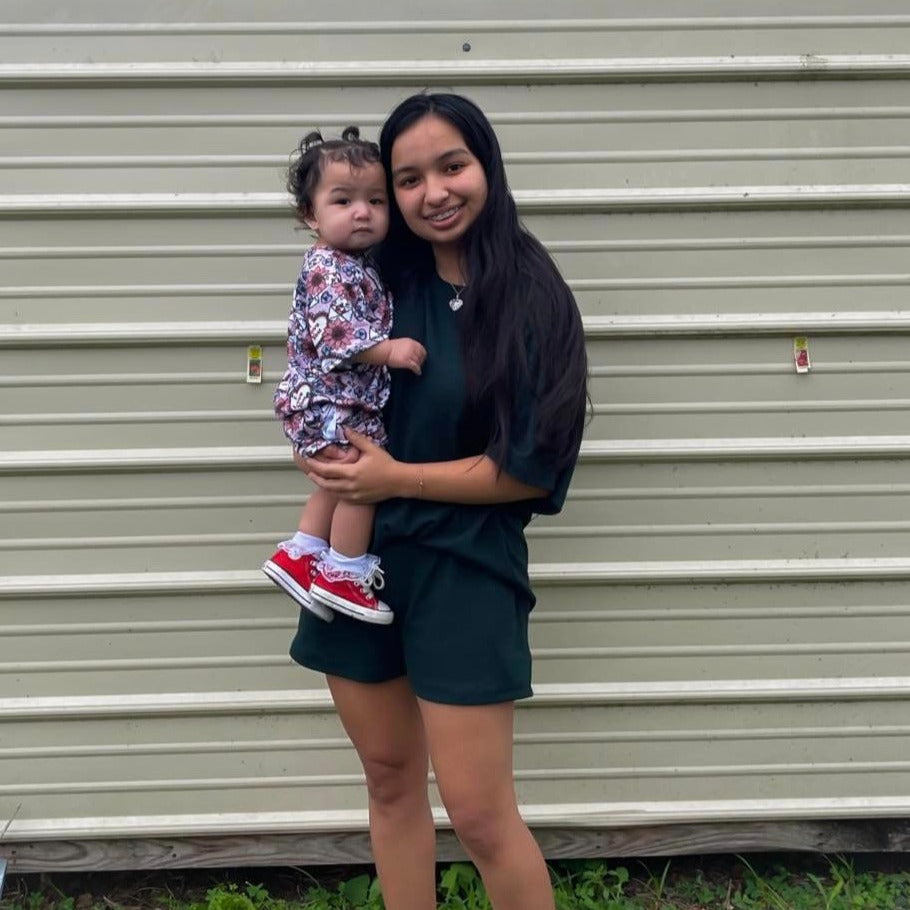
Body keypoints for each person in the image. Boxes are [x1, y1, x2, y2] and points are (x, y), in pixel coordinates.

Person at [293, 94, 588, 910]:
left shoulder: (531, 297)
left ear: (486, 164)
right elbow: (319, 373)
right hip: (357, 565)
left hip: (466, 568)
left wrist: (396, 479)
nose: (434, 193)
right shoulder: (373, 279)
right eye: (409, 178)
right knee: (390, 783)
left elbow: (532, 469)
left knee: (482, 816)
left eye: (452, 166)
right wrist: (313, 443)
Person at [262, 127, 426, 625]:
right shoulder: (329, 268)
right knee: (359, 482)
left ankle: (302, 552)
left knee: (334, 482)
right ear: (310, 215)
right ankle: (344, 571)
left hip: (327, 404)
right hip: (330, 404)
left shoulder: (354, 263)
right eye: (343, 200)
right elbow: (336, 337)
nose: (362, 212)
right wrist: (390, 350)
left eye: (375, 200)